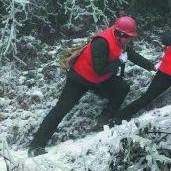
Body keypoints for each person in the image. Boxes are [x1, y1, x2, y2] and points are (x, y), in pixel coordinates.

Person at [28, 16, 154, 156]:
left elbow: (131, 55)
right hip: (79, 80)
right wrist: (119, 61)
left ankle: (105, 118)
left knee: (122, 88)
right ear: (120, 34)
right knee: (61, 109)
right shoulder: (101, 42)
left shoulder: (121, 41)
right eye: (129, 37)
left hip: (99, 80)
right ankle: (36, 146)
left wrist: (152, 67)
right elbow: (99, 69)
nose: (130, 39)